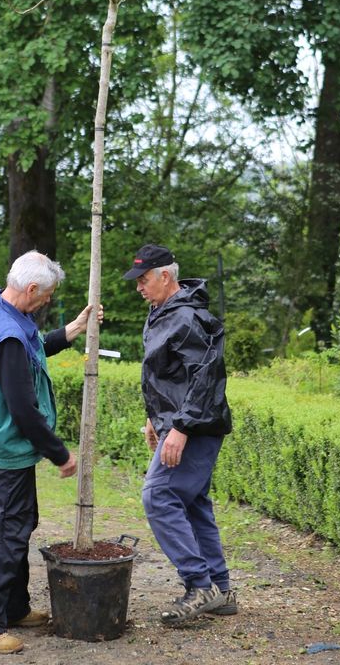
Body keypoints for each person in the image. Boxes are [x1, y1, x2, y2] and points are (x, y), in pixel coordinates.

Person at [0, 250, 100, 654]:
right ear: (33, 288)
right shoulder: (5, 333)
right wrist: (60, 454)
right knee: (2, 534)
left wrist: (71, 330)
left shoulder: (3, 311)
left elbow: (34, 347)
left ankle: (14, 607)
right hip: (7, 444)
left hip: (9, 446)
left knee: (19, 525)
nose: (48, 303)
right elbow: (23, 408)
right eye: (48, 296)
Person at [123, 243, 236, 625]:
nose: (139, 287)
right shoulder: (161, 312)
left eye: (143, 279)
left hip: (197, 426)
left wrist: (182, 427)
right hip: (181, 425)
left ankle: (199, 585)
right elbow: (165, 377)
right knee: (191, 501)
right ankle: (220, 589)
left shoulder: (187, 317)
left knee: (158, 494)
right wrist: (157, 424)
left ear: (165, 276)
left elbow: (207, 378)